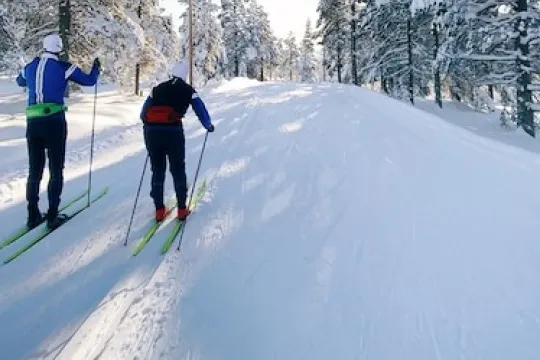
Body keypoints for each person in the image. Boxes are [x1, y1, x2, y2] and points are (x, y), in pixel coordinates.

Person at [16, 34, 101, 230]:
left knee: (34, 170)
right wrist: (96, 67)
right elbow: (89, 81)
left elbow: (19, 81)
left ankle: (32, 215)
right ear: (59, 48)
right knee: (56, 169)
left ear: (43, 47)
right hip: (54, 121)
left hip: (33, 122)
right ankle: (52, 215)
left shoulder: (30, 66)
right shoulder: (64, 67)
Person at [140, 61, 214, 221]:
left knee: (157, 170)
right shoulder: (188, 90)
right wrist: (208, 125)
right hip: (173, 133)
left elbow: (143, 114)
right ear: (185, 75)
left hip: (152, 133)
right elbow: (200, 109)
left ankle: (159, 210)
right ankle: (181, 209)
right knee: (178, 169)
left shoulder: (157, 89)